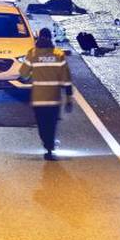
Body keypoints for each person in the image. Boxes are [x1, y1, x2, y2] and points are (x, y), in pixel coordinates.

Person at [19, 27, 74, 160]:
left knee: (42, 124)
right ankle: (50, 146)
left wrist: (32, 74)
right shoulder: (58, 54)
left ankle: (47, 144)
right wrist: (69, 98)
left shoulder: (33, 54)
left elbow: (23, 73)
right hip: (54, 98)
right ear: (50, 38)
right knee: (52, 124)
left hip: (38, 98)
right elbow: (66, 78)